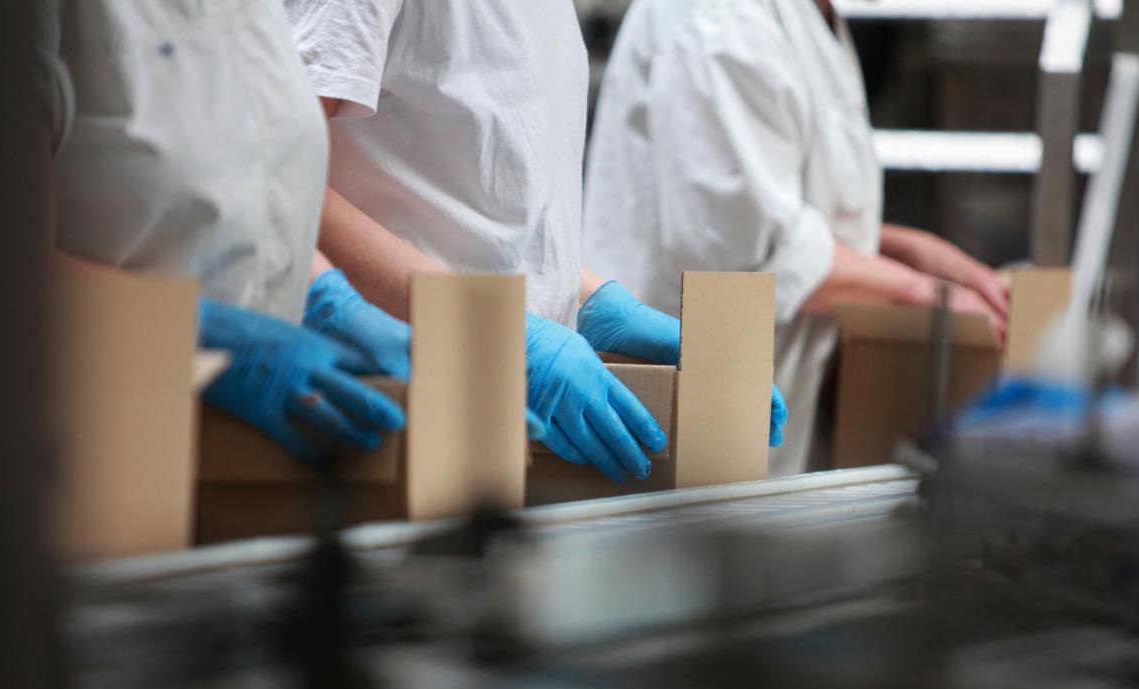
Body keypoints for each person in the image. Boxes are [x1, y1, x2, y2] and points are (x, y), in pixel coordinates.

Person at [281, 0, 789, 483]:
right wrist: (487, 328)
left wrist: (587, 299)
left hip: (511, 425)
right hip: (387, 407)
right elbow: (276, 175)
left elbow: (484, 194)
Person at [583, 0, 1011, 477]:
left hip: (763, 422)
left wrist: (913, 253)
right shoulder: (719, 15)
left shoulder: (813, 14)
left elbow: (781, 209)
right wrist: (920, 292)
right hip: (678, 439)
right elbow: (746, 252)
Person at [52, 0, 411, 463]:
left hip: (240, 461)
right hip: (85, 461)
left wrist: (328, 299)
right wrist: (194, 334)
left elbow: (254, 183)